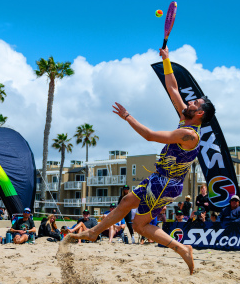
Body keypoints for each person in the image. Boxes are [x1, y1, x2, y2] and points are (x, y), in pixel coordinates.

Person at [67, 47, 216, 275]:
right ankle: (94, 232)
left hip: (166, 183)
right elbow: (173, 88)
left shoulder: (189, 135)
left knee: (139, 226)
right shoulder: (184, 119)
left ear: (199, 114)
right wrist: (167, 61)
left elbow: (149, 135)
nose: (190, 102)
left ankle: (182, 249)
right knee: (126, 201)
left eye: (195, 103)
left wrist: (128, 117)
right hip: (159, 178)